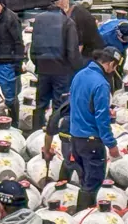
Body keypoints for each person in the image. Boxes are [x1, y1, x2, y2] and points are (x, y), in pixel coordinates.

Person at [66, 47, 122, 210]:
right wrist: (111, 144)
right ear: (111, 64)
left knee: (84, 180)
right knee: (92, 183)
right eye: (115, 67)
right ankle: (84, 217)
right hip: (92, 140)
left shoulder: (79, 75)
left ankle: (81, 216)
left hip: (76, 138)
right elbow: (102, 118)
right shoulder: (101, 84)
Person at [31, 0, 80, 134]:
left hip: (42, 67)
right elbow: (72, 50)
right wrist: (76, 68)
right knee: (59, 103)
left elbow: (33, 44)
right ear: (63, 5)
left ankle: (36, 133)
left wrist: (37, 63)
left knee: (41, 102)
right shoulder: (67, 22)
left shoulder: (39, 19)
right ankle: (54, 133)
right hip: (61, 69)